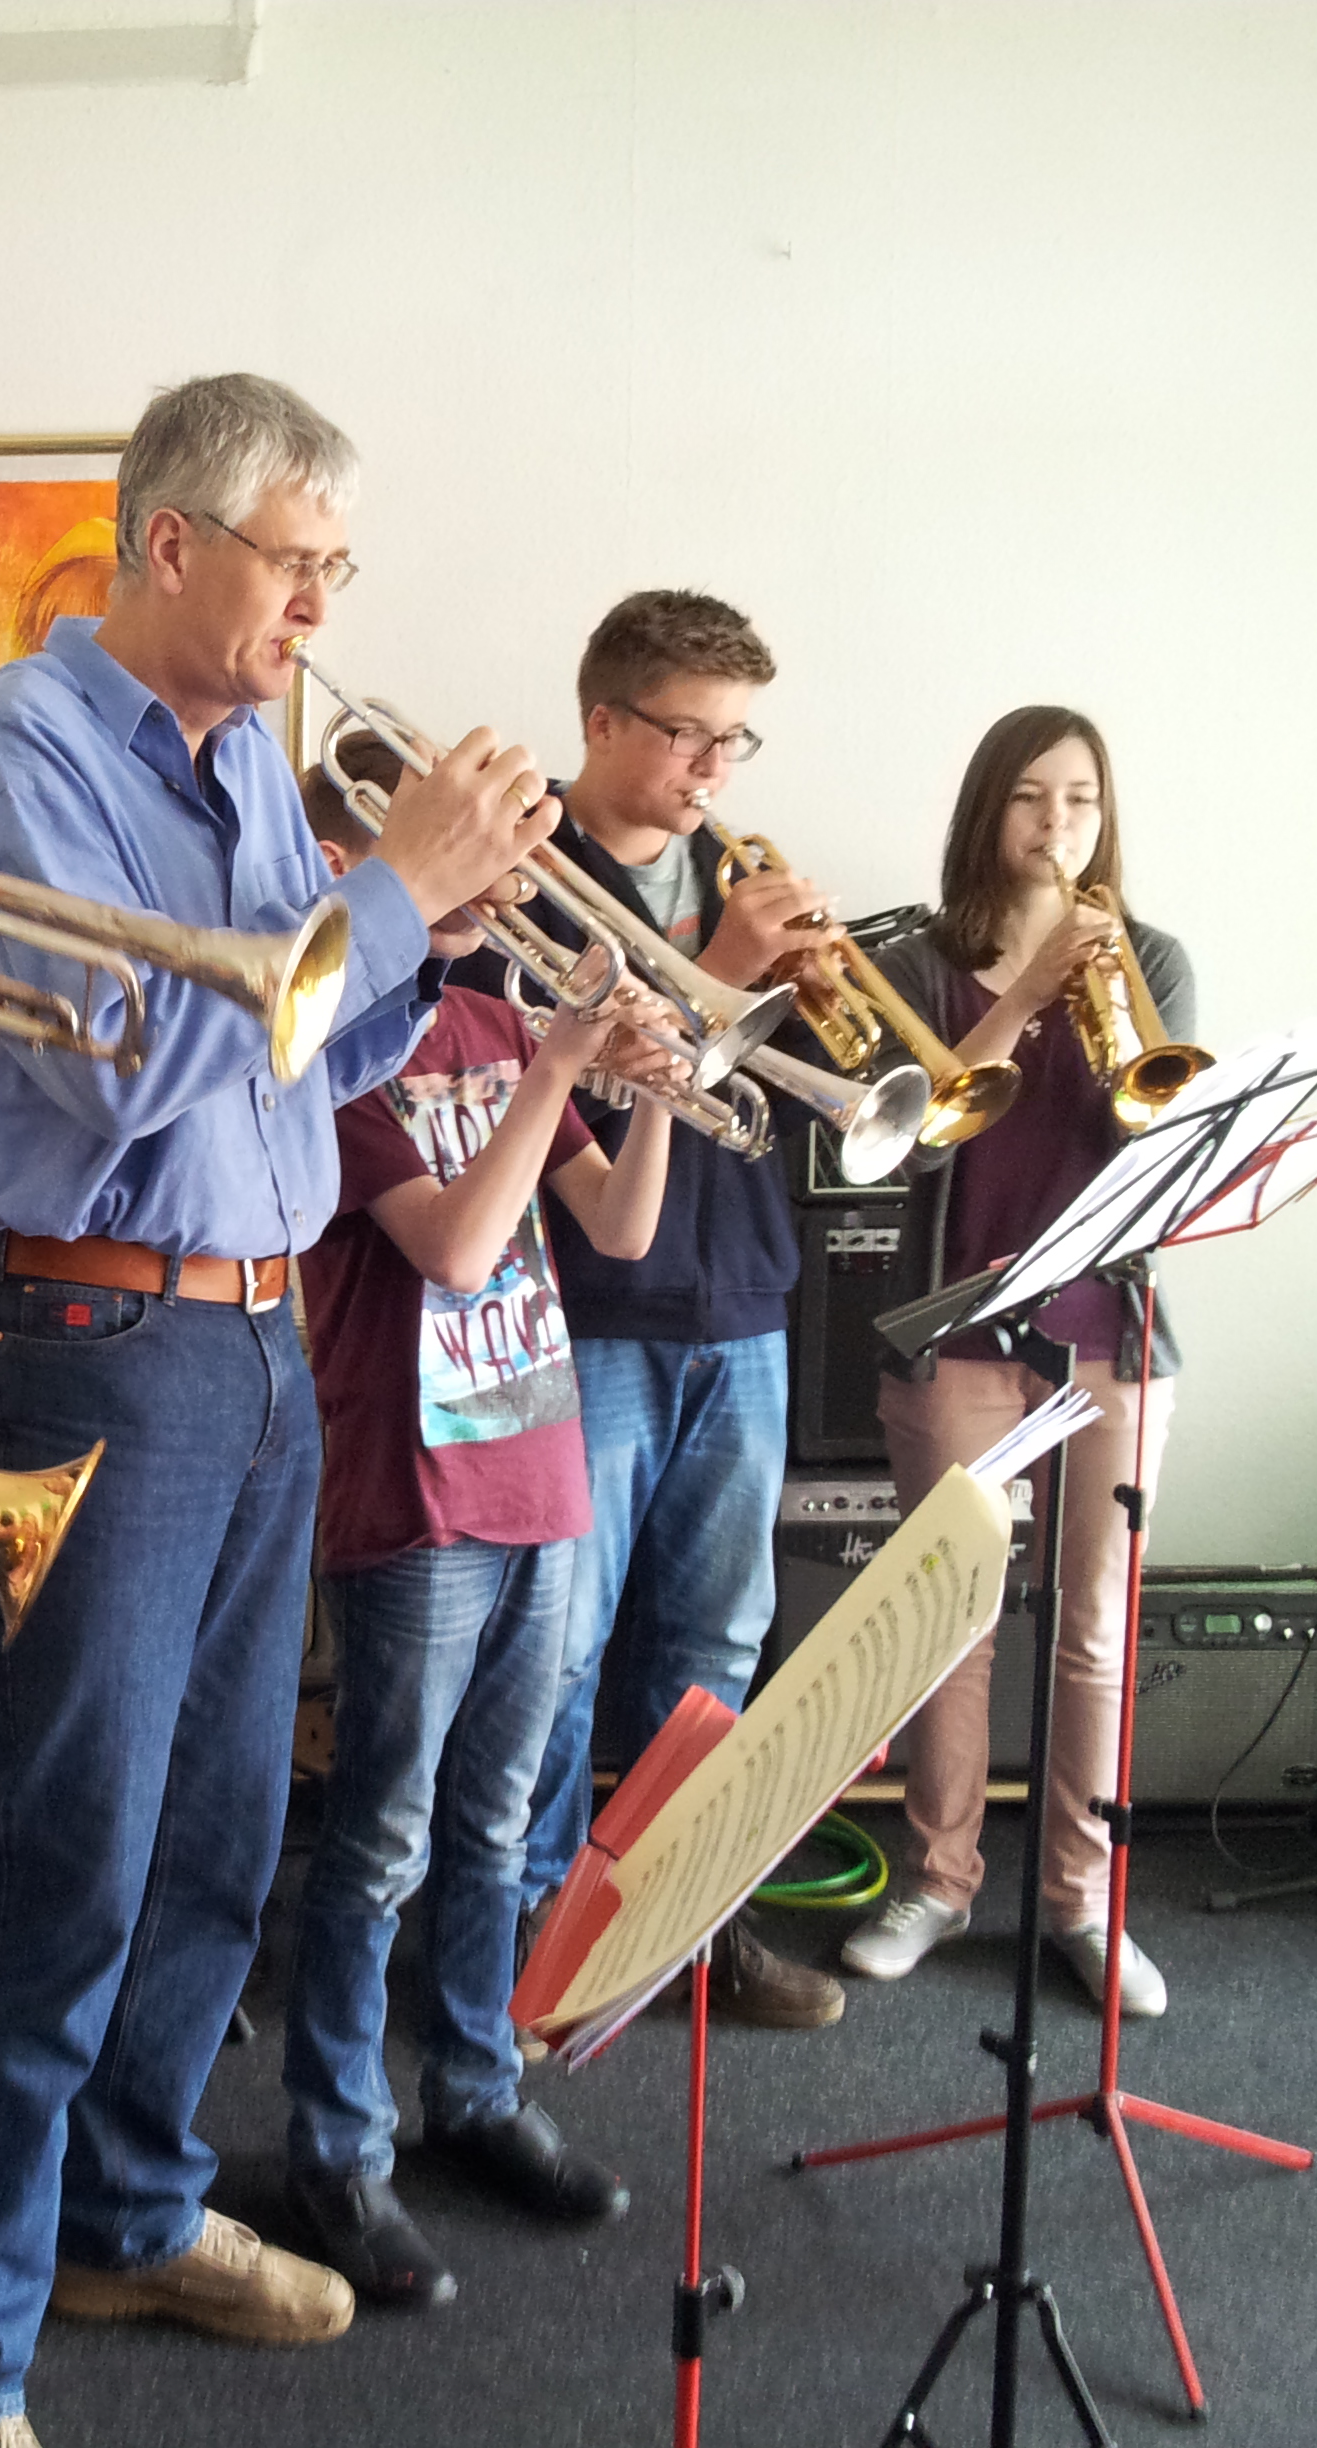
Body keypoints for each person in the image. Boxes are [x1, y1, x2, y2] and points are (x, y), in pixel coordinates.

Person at [0, 373, 559, 2448]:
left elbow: (302, 1059)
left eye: (341, 567)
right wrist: (385, 894)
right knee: (70, 1852)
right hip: (87, 1332)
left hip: (255, 1338)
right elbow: (126, 1064)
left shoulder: (247, 752)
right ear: (171, 544)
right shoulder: (21, 749)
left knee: (227, 1830)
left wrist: (443, 954)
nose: (322, 608)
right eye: (297, 563)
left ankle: (132, 2209)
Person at [277, 741, 678, 2309]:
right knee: (382, 1830)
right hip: (415, 1488)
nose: (499, 882)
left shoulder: (508, 1026)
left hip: (543, 1468)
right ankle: (338, 2141)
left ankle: (476, 2089)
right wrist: (561, 1070)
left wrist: (658, 1091)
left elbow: (619, 1229)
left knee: (500, 1819)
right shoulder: (338, 1046)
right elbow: (453, 1248)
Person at [508, 588, 850, 2032]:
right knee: (558, 1653)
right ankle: (535, 1942)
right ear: (602, 720)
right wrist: (723, 974)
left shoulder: (740, 875)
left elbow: (805, 1103)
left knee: (716, 1648)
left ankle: (689, 1929)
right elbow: (549, 1095)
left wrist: (809, 995)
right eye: (686, 735)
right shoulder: (525, 872)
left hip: (745, 1304)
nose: (715, 770)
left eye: (735, 740)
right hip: (590, 1310)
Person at [838, 706, 1192, 2016]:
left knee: (1093, 1629)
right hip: (961, 1330)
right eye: (1033, 797)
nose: (1058, 823)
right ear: (990, 810)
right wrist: (1031, 995)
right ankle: (936, 1882)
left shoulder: (1153, 957)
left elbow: (1166, 1135)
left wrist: (1102, 1003)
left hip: (1112, 1333)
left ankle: (1081, 1902)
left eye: (1082, 799)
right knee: (950, 1625)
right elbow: (917, 1134)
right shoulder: (917, 967)